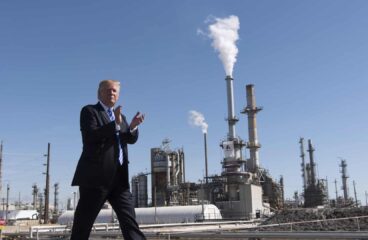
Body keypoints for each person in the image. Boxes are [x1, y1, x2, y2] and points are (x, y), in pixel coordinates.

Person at [70, 79, 146, 240]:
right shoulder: (90, 111)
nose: (112, 93)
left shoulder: (122, 116)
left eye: (115, 91)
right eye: (108, 90)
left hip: (119, 180)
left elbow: (129, 139)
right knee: (82, 227)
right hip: (95, 180)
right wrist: (115, 125)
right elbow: (90, 136)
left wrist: (132, 126)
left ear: (118, 95)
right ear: (99, 93)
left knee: (130, 224)